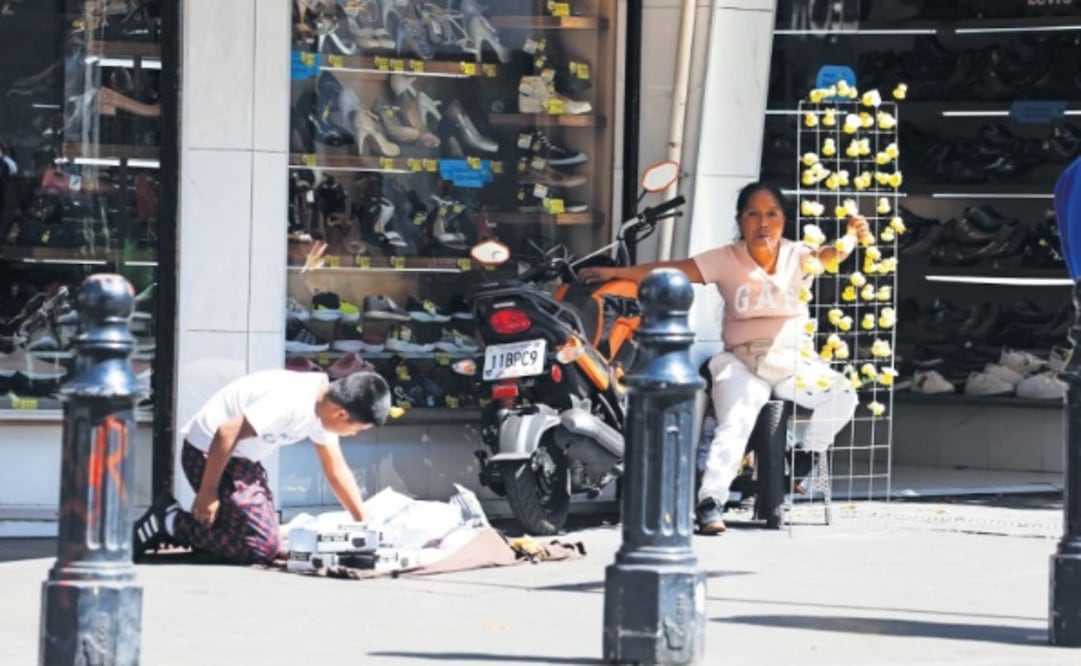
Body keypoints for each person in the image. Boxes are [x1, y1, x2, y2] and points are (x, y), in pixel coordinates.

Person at [580, 182, 866, 534]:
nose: (763, 223)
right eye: (753, 214)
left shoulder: (798, 255)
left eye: (772, 214)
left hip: (791, 362)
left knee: (844, 394)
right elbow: (674, 270)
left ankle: (804, 459)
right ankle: (711, 502)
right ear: (741, 221)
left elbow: (831, 255)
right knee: (736, 421)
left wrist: (852, 234)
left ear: (784, 220)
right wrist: (615, 273)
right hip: (741, 362)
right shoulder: (726, 258)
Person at [132, 369, 392, 563]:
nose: (354, 434)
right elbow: (226, 432)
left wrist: (363, 524)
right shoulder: (293, 402)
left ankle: (212, 533)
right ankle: (169, 520)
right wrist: (207, 492)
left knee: (265, 539)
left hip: (240, 460)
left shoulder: (323, 403)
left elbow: (336, 469)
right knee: (261, 547)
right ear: (341, 414)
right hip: (207, 452)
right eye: (358, 429)